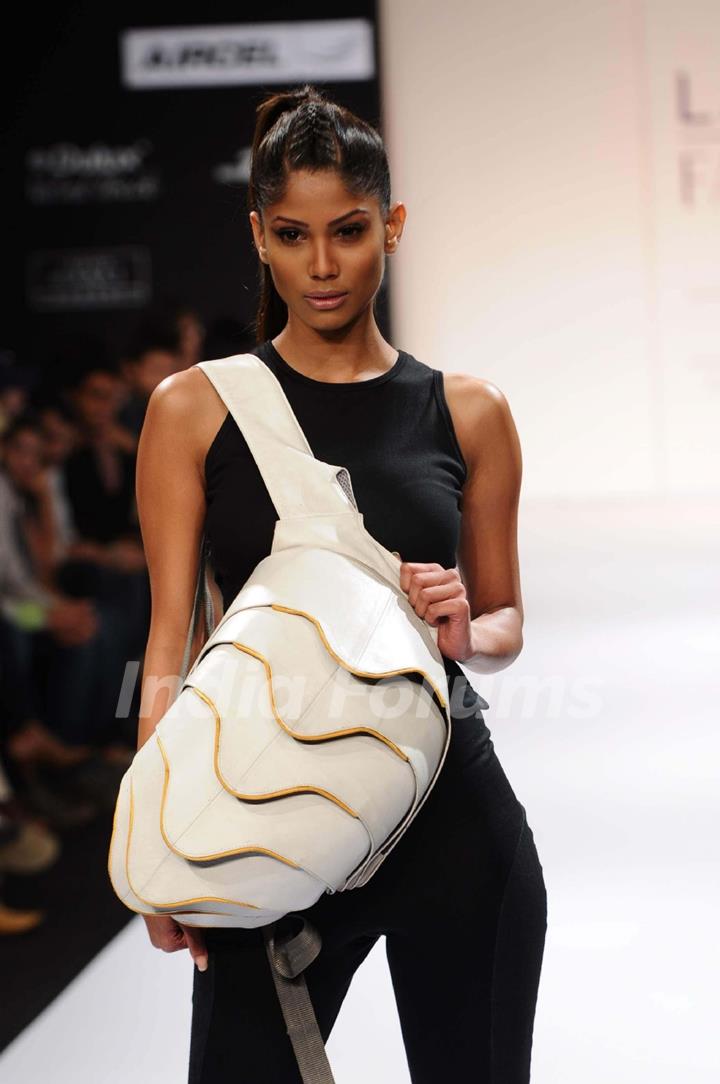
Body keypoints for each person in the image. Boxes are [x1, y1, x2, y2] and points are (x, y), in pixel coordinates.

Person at [134, 84, 548, 1083]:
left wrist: (466, 627)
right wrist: (153, 834)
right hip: (269, 812)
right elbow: (170, 645)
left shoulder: (470, 410)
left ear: (391, 227)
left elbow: (505, 620)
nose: (322, 265)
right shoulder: (194, 410)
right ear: (258, 237)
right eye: (293, 233)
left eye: (350, 230)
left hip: (453, 815)